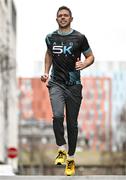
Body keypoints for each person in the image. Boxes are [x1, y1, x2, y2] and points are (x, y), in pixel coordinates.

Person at [41, 6, 94, 176]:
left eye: (66, 16)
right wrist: (45, 72)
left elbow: (91, 56)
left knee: (72, 124)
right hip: (56, 83)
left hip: (74, 85)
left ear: (71, 19)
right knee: (57, 116)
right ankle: (61, 149)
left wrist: (84, 64)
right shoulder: (50, 38)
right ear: (56, 19)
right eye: (60, 16)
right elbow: (49, 54)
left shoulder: (79, 37)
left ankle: (70, 159)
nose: (63, 18)